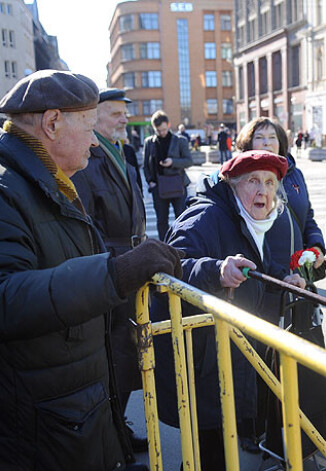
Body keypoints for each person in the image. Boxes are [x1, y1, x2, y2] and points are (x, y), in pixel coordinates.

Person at [0, 70, 182, 471]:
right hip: (43, 425)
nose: (95, 140)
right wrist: (114, 274)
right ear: (52, 124)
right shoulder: (8, 189)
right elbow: (7, 297)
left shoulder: (46, 180)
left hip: (68, 415)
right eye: (88, 127)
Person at [152, 150, 305, 471]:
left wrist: (284, 279)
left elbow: (257, 262)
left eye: (270, 182)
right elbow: (172, 265)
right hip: (204, 358)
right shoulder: (206, 216)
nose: (263, 190)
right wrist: (216, 270)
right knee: (210, 451)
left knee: (220, 448)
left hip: (228, 355)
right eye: (253, 181)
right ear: (232, 184)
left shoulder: (245, 218)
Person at [234, 117, 326, 451]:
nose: (267, 141)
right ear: (247, 142)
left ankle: (295, 420)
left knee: (295, 348)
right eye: (260, 137)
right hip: (262, 278)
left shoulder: (295, 174)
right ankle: (252, 426)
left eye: (273, 137)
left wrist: (316, 248)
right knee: (258, 354)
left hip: (297, 278)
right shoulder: (241, 178)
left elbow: (309, 219)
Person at [70, 88, 148, 453]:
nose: (124, 120)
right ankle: (115, 435)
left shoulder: (120, 153)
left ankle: (119, 427)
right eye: (115, 114)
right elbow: (86, 223)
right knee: (113, 356)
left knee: (125, 354)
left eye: (124, 113)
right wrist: (115, 262)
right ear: (95, 117)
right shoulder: (87, 157)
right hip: (111, 268)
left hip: (126, 265)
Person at [143, 109, 193, 240]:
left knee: (182, 218)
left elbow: (189, 161)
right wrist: (150, 182)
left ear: (169, 125)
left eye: (164, 129)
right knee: (161, 221)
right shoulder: (149, 142)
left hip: (178, 185)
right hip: (158, 187)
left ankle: (184, 246)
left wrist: (173, 162)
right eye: (158, 130)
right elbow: (145, 165)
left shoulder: (180, 140)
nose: (162, 133)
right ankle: (164, 248)